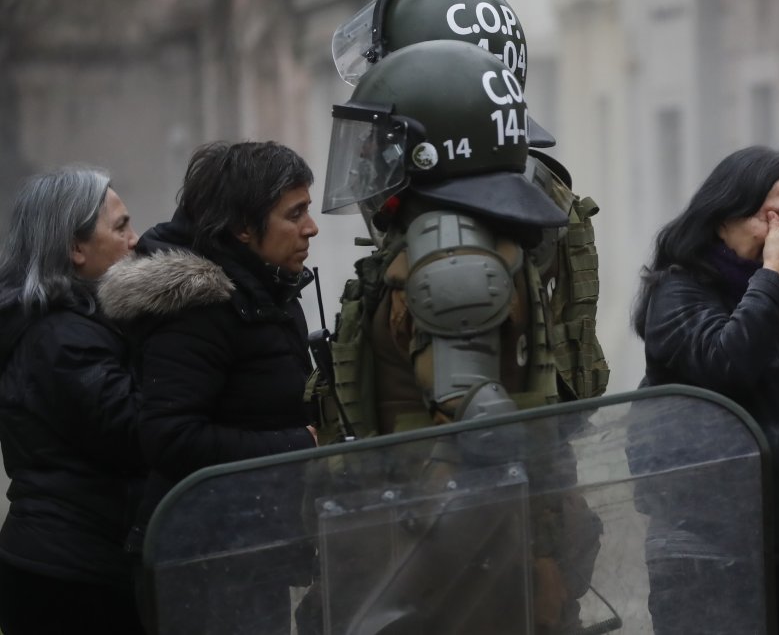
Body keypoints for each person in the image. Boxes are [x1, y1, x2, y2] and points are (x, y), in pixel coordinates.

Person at [314, 39, 601, 634]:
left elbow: (481, 451)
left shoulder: (453, 256)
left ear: (429, 148)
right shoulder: (466, 239)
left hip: (450, 584)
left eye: (380, 141)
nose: (367, 157)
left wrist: (395, 603)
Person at [631, 146, 779, 635]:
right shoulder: (678, 291)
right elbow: (725, 367)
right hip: (706, 555)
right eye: (772, 217)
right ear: (721, 220)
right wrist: (774, 274)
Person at [97, 140, 321, 634]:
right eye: (295, 213)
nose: (312, 227)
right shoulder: (198, 310)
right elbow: (170, 436)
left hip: (246, 545)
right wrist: (299, 445)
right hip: (201, 560)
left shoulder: (266, 286)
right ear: (243, 228)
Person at [0, 167, 145, 634]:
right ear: (74, 248)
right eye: (120, 226)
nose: (135, 240)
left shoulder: (72, 324)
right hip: (70, 577)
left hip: (70, 564)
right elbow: (135, 432)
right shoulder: (61, 338)